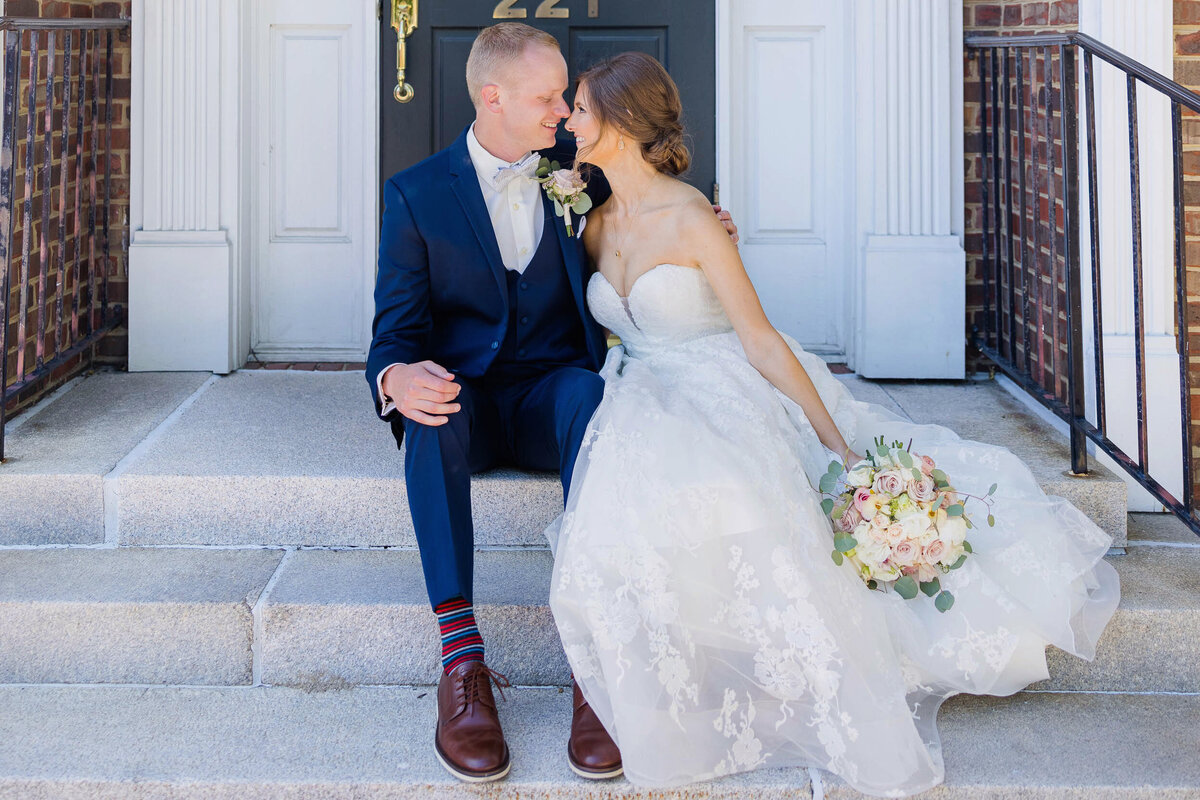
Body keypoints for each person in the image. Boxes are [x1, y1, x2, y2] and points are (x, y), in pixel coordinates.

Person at [547, 51, 1120, 796]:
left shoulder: (693, 218)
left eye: (582, 108)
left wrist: (838, 444)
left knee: (731, 482)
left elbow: (757, 337)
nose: (567, 118)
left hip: (719, 378)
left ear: (620, 123)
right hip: (636, 385)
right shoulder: (586, 221)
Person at [366, 24, 737, 785]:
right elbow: (393, 335)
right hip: (467, 400)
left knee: (593, 400)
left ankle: (594, 669)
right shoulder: (415, 195)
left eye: (567, 95)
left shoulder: (582, 174)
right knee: (426, 413)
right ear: (492, 98)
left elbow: (652, 221)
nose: (566, 111)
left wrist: (704, 241)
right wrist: (394, 380)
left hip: (549, 389)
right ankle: (462, 665)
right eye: (549, 97)